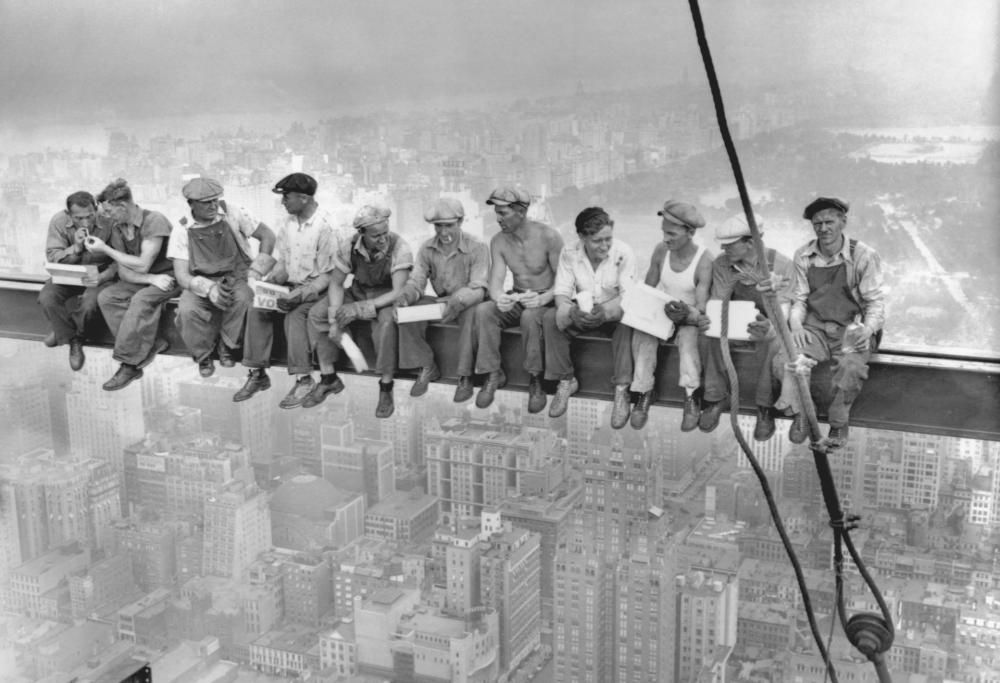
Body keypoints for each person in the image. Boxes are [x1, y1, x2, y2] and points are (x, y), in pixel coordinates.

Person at [772, 197, 885, 446]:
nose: (823, 229)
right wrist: (796, 326)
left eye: (829, 222)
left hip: (852, 329)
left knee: (851, 368)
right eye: (817, 223)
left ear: (843, 222)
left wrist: (867, 330)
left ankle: (838, 421)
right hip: (816, 327)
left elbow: (875, 302)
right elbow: (800, 298)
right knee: (786, 359)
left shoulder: (863, 255)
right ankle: (804, 412)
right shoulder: (804, 255)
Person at [233, 173, 343, 407]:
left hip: (317, 291)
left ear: (303, 198)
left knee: (295, 316)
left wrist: (300, 295)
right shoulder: (289, 224)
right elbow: (283, 261)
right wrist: (266, 281)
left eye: (287, 197)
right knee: (257, 308)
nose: (283, 202)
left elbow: (329, 275)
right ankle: (257, 373)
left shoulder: (326, 227)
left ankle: (304, 378)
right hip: (291, 286)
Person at [306, 204, 413, 418]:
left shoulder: (400, 248)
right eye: (375, 236)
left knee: (386, 324)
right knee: (318, 313)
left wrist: (358, 309)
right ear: (362, 233)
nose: (382, 239)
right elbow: (336, 284)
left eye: (384, 233)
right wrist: (335, 320)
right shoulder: (349, 246)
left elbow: (398, 291)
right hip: (358, 291)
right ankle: (329, 377)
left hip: (385, 297)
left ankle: (386, 386)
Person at [697, 213, 794, 440]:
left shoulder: (781, 264)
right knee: (708, 335)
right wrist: (710, 319)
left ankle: (764, 407)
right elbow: (719, 300)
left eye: (730, 244)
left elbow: (784, 310)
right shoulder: (722, 264)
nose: (723, 248)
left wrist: (769, 327)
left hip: (768, 324)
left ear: (750, 243)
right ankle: (716, 397)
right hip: (734, 322)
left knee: (773, 343)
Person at [169, 177, 276, 378]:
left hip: (236, 275)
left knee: (244, 300)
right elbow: (182, 275)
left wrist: (256, 271)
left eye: (215, 200)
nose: (213, 206)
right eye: (205, 202)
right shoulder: (182, 228)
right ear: (191, 204)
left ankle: (228, 345)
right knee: (187, 310)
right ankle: (203, 355)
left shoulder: (233, 212)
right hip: (201, 280)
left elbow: (268, 236)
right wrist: (209, 289)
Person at [542, 207, 636, 426]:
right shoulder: (569, 252)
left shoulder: (623, 253)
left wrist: (605, 312)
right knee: (550, 319)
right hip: (583, 310)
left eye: (608, 239)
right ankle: (566, 380)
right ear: (582, 237)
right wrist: (571, 312)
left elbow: (628, 296)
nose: (604, 246)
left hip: (612, 311)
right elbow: (562, 292)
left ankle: (622, 388)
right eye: (597, 241)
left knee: (627, 323)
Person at [473, 186, 563, 412]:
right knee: (484, 311)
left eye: (503, 213)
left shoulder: (549, 237)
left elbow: (565, 281)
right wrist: (500, 298)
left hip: (546, 299)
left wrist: (543, 299)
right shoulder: (498, 241)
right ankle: (493, 373)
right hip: (518, 295)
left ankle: (536, 379)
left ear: (521, 212)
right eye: (497, 212)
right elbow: (495, 282)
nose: (498, 218)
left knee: (530, 317)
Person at [88, 178, 179, 391]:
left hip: (170, 277)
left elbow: (142, 263)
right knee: (107, 297)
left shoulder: (154, 221)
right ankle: (151, 343)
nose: (107, 216)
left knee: (141, 300)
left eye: (109, 211)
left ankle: (129, 364)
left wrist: (106, 249)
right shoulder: (118, 228)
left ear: (122, 206)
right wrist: (150, 279)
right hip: (149, 279)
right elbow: (124, 270)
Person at [629, 200, 713, 430]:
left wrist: (687, 313)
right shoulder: (661, 251)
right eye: (664, 232)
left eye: (672, 234)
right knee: (643, 334)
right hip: (664, 311)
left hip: (688, 317)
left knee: (688, 340)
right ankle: (644, 390)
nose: (666, 238)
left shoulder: (704, 261)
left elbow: (702, 306)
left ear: (690, 233)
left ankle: (691, 394)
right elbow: (649, 288)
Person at [396, 197, 489, 402]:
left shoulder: (477, 246)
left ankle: (465, 376)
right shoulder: (427, 248)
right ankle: (427, 365)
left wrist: (460, 299)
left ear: (460, 222)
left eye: (449, 226)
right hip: (443, 303)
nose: (443, 232)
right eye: (439, 226)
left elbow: (479, 287)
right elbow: (417, 280)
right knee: (408, 314)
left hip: (469, 302)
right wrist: (405, 297)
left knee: (471, 316)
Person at [38, 190, 117, 370]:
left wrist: (103, 276)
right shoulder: (59, 221)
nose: (86, 222)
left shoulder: (109, 220)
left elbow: (119, 259)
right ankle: (72, 338)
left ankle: (65, 332)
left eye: (90, 216)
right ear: (68, 214)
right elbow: (53, 256)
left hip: (100, 274)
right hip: (69, 272)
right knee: (47, 297)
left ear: (96, 209)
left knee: (90, 304)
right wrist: (76, 248)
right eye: (79, 218)